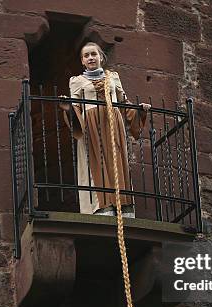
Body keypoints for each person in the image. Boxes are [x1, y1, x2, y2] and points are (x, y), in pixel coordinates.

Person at [60, 42, 150, 217]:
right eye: (86, 56)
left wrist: (140, 110)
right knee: (96, 163)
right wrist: (68, 108)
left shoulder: (113, 77)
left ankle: (123, 206)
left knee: (117, 161)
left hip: (113, 125)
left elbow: (124, 103)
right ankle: (102, 207)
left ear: (101, 57)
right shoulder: (77, 82)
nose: (90, 58)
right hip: (91, 129)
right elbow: (76, 107)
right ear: (82, 61)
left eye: (93, 54)